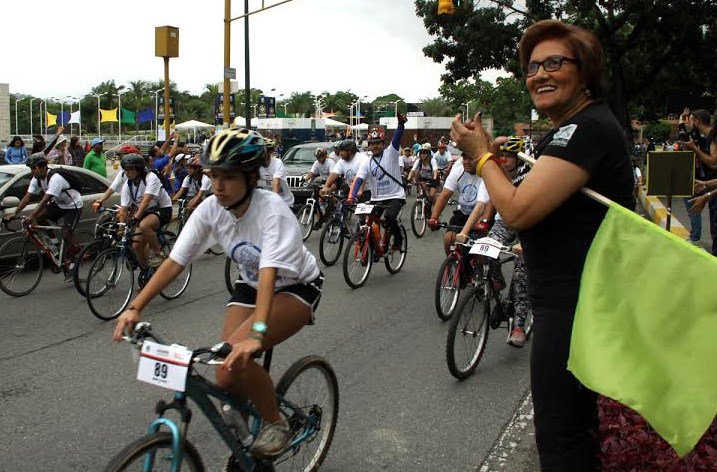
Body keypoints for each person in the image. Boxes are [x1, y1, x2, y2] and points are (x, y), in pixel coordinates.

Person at [451, 20, 634, 471]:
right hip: (571, 301)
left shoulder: (585, 129)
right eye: (532, 67)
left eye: (554, 62)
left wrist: (482, 155)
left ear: (585, 71)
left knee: (562, 439)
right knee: (570, 431)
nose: (540, 74)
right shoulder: (572, 128)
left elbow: (516, 209)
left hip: (575, 305)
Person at [111, 128, 323, 462]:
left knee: (230, 362)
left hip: (294, 286)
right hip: (250, 285)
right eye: (213, 176)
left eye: (228, 177)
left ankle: (276, 422)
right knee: (225, 375)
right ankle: (247, 446)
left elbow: (270, 275)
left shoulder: (273, 212)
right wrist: (135, 307)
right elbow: (174, 262)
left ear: (252, 177)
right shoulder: (211, 209)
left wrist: (257, 335)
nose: (217, 186)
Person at [456, 136, 532, 347]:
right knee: (481, 250)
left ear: (519, 159)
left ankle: (518, 324)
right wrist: (464, 231)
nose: (504, 160)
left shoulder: (530, 175)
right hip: (505, 222)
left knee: (520, 275)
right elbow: (481, 205)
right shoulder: (494, 175)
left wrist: (524, 244)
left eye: (509, 157)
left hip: (528, 225)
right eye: (502, 156)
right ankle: (496, 281)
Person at [2, 153, 83, 278]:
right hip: (58, 204)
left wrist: (31, 216)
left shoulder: (55, 178)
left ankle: (72, 261)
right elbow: (27, 197)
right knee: (39, 219)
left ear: (43, 167)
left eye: (34, 168)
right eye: (31, 169)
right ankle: (55, 246)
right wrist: (15, 213)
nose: (32, 171)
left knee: (66, 234)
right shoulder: (37, 179)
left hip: (73, 206)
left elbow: (45, 200)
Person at [348, 114, 408, 251]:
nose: (375, 146)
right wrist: (351, 197)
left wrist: (400, 125)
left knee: (389, 218)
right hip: (376, 198)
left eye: (377, 143)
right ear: (368, 146)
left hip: (395, 196)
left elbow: (397, 138)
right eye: (372, 144)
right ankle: (374, 245)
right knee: (367, 220)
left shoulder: (391, 153)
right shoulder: (367, 162)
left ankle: (398, 239)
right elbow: (359, 179)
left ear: (383, 144)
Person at [117, 153, 173, 269]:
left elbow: (146, 200)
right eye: (125, 170)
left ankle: (158, 253)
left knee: (144, 226)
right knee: (136, 246)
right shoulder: (128, 185)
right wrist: (121, 228)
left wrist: (136, 218)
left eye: (130, 169)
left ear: (139, 169)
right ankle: (146, 272)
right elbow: (124, 208)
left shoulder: (151, 178)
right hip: (145, 212)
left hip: (162, 209)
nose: (127, 172)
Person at [427, 152, 484, 254]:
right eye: (464, 158)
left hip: (482, 214)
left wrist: (482, 221)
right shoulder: (458, 171)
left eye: (470, 159)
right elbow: (444, 195)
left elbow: (488, 204)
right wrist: (434, 218)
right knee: (448, 239)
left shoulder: (486, 173)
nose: (466, 162)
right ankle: (452, 264)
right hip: (463, 212)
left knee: (479, 250)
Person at [684, 109, 717, 252]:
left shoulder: (713, 136)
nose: (689, 123)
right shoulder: (704, 136)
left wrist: (695, 150)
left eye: (691, 120)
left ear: (697, 120)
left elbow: (714, 163)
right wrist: (706, 185)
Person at [257, 137, 294, 208]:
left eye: (265, 150)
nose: (262, 153)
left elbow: (276, 183)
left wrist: (273, 204)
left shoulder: (277, 163)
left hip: (285, 201)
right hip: (268, 201)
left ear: (271, 151)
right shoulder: (257, 165)